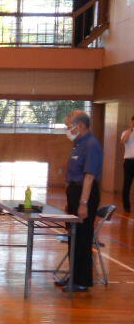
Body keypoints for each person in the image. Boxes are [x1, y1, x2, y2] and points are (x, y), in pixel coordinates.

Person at [50, 111, 103, 293]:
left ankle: (82, 281)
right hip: (75, 192)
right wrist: (70, 200)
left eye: (69, 126)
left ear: (80, 126)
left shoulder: (91, 145)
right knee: (73, 236)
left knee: (82, 237)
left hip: (85, 193)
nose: (67, 130)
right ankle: (74, 275)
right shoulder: (78, 144)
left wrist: (83, 203)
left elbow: (89, 176)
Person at [121, 116, 134, 213]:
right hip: (129, 161)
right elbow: (123, 141)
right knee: (127, 184)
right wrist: (131, 129)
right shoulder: (126, 132)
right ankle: (127, 206)